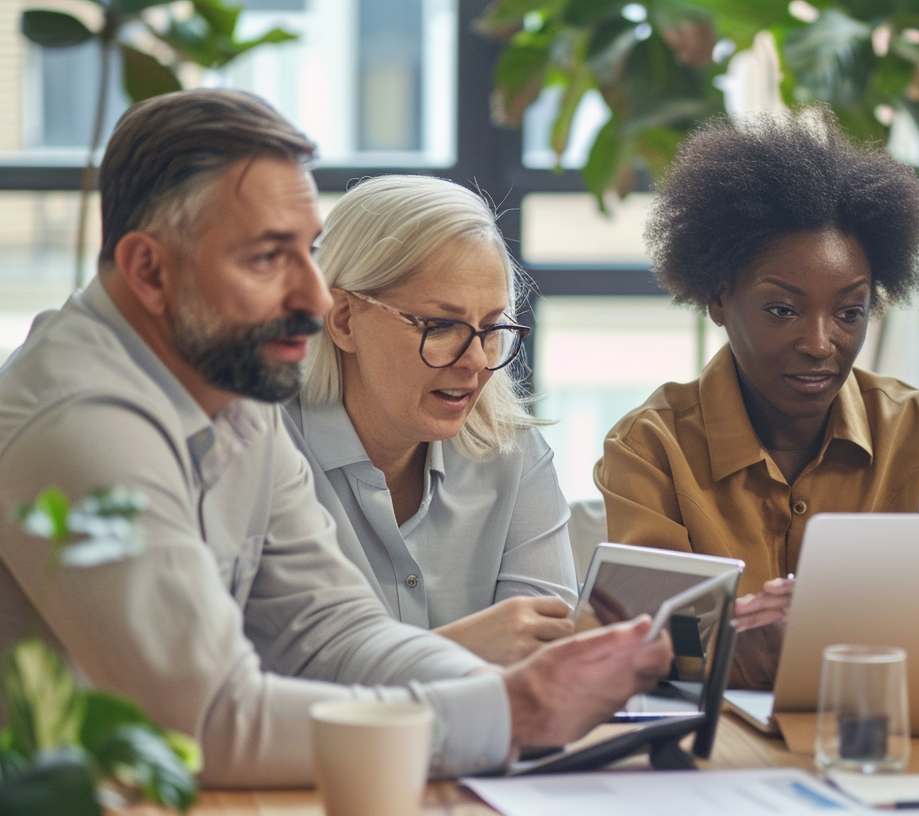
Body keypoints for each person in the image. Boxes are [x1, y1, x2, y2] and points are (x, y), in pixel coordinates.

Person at [0, 89, 671, 787]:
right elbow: (207, 722)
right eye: (267, 259)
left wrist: (518, 695)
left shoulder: (232, 390)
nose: (317, 300)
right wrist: (509, 715)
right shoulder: (80, 423)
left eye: (307, 251)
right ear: (149, 271)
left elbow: (332, 631)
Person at [594, 106, 919, 688]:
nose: (821, 342)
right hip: (713, 760)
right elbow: (653, 647)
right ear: (719, 299)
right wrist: (851, 629)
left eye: (850, 312)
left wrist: (762, 631)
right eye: (783, 310)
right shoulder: (650, 447)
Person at [284, 175, 575, 666]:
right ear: (344, 320)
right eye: (441, 326)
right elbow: (263, 682)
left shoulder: (512, 451)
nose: (478, 362)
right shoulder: (262, 446)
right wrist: (459, 649)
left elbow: (544, 660)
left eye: (491, 329)